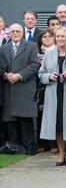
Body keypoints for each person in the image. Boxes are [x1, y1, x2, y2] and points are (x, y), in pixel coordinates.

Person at [0, 23, 39, 155]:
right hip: (9, 89)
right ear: (9, 34)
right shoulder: (3, 48)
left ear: (22, 33)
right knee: (10, 121)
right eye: (13, 31)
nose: (15, 33)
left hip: (24, 87)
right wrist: (5, 75)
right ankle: (13, 147)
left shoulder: (32, 46)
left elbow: (35, 65)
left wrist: (20, 75)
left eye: (18, 31)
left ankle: (28, 147)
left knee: (25, 119)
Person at [39, 27, 66, 166]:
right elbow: (41, 73)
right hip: (53, 93)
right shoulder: (49, 53)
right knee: (58, 124)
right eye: (58, 36)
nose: (60, 38)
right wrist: (49, 76)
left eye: (63, 36)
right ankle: (61, 154)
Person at [35, 29, 57, 154]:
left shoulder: (56, 51)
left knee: (53, 115)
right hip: (40, 88)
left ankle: (53, 143)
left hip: (52, 87)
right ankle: (42, 143)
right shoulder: (37, 53)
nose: (47, 38)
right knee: (40, 116)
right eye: (44, 37)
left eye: (49, 36)